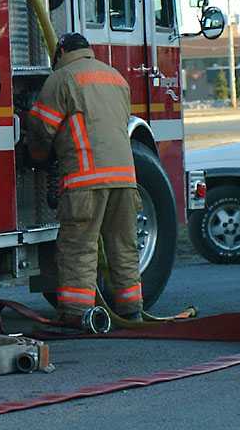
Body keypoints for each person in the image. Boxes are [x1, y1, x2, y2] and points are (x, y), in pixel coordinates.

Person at [25, 33, 144, 326]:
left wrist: (36, 155)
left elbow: (42, 128)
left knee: (79, 248)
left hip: (85, 181)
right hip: (125, 180)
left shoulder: (61, 79)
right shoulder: (116, 78)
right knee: (124, 246)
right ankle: (131, 310)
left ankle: (76, 314)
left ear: (61, 52)